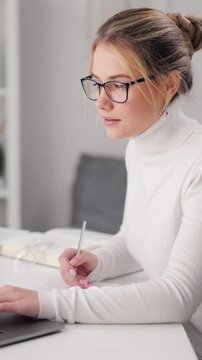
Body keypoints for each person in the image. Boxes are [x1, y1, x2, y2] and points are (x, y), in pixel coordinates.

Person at [0, 7, 202, 359]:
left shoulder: (196, 160)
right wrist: (99, 260)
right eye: (96, 83)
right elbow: (135, 239)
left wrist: (48, 303)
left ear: (169, 84)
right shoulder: (139, 145)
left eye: (119, 85)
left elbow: (178, 297)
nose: (101, 101)